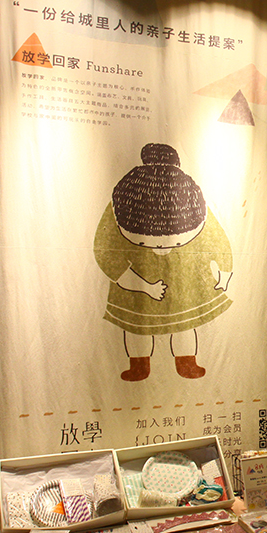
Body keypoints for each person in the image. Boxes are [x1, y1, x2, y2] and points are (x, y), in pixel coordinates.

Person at [94, 143, 233, 381]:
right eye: (144, 242)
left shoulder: (192, 201)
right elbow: (106, 252)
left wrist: (224, 270)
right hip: (136, 283)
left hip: (182, 283)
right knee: (136, 327)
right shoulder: (121, 204)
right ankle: (139, 364)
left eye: (176, 242)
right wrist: (142, 286)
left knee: (185, 325)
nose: (161, 248)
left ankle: (187, 360)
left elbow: (217, 240)